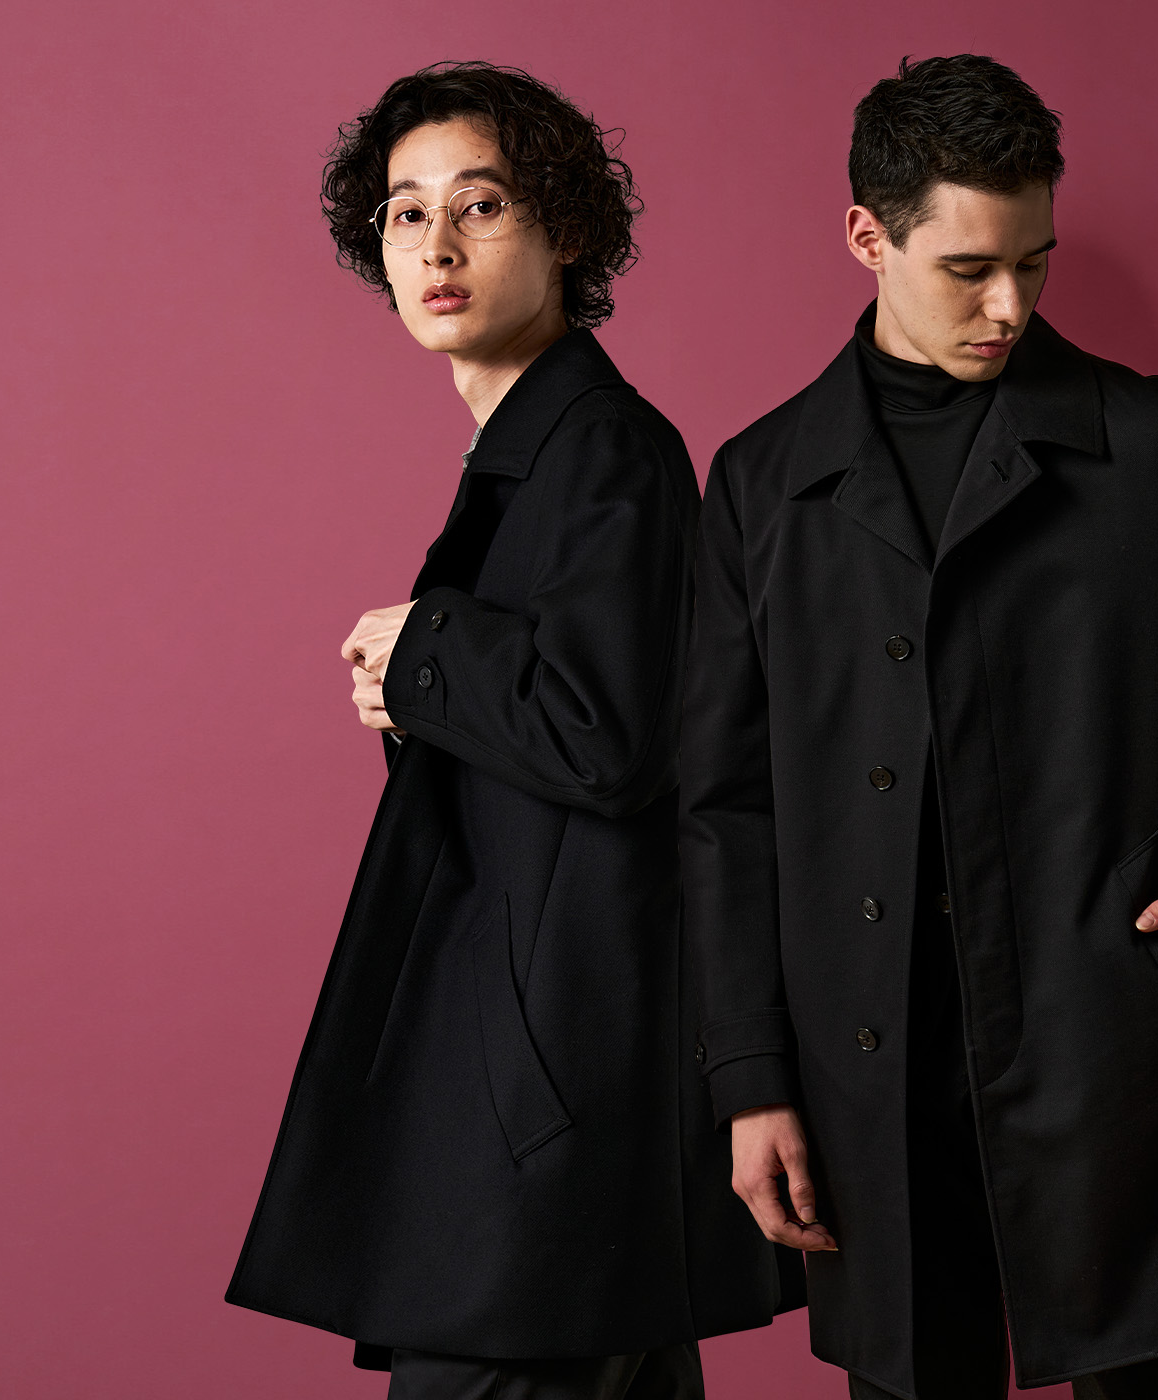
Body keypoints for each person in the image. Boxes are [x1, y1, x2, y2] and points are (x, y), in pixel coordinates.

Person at [680, 53, 1158, 1400]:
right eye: (970, 269)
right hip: (867, 1068)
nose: (1011, 306)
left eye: (1034, 263)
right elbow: (724, 803)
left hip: (1106, 1033)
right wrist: (748, 1074)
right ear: (866, 236)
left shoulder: (1151, 443)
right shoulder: (761, 483)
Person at [226, 61, 801, 1399]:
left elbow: (612, 735)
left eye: (479, 206)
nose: (436, 245)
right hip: (551, 1083)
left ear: (566, 230)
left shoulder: (604, 448)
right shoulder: (537, 451)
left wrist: (424, 648)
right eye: (405, 213)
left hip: (546, 1099)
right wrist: (420, 680)